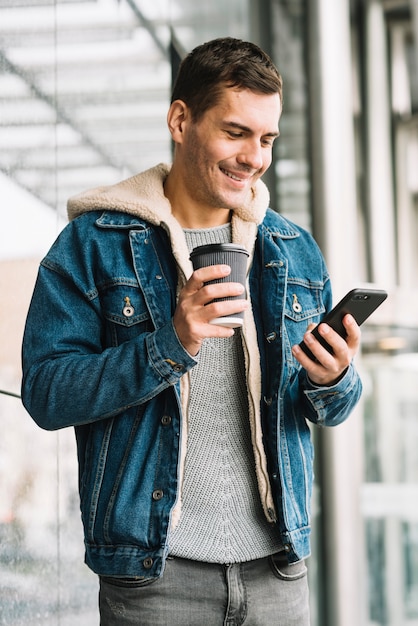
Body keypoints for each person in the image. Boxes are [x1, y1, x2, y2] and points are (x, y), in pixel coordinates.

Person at [21, 37, 362, 626]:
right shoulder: (94, 244)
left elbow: (328, 409)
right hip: (155, 579)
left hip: (278, 574)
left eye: (267, 139)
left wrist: (335, 381)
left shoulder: (293, 250)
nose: (254, 157)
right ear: (181, 120)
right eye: (235, 132)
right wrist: (169, 346)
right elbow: (48, 394)